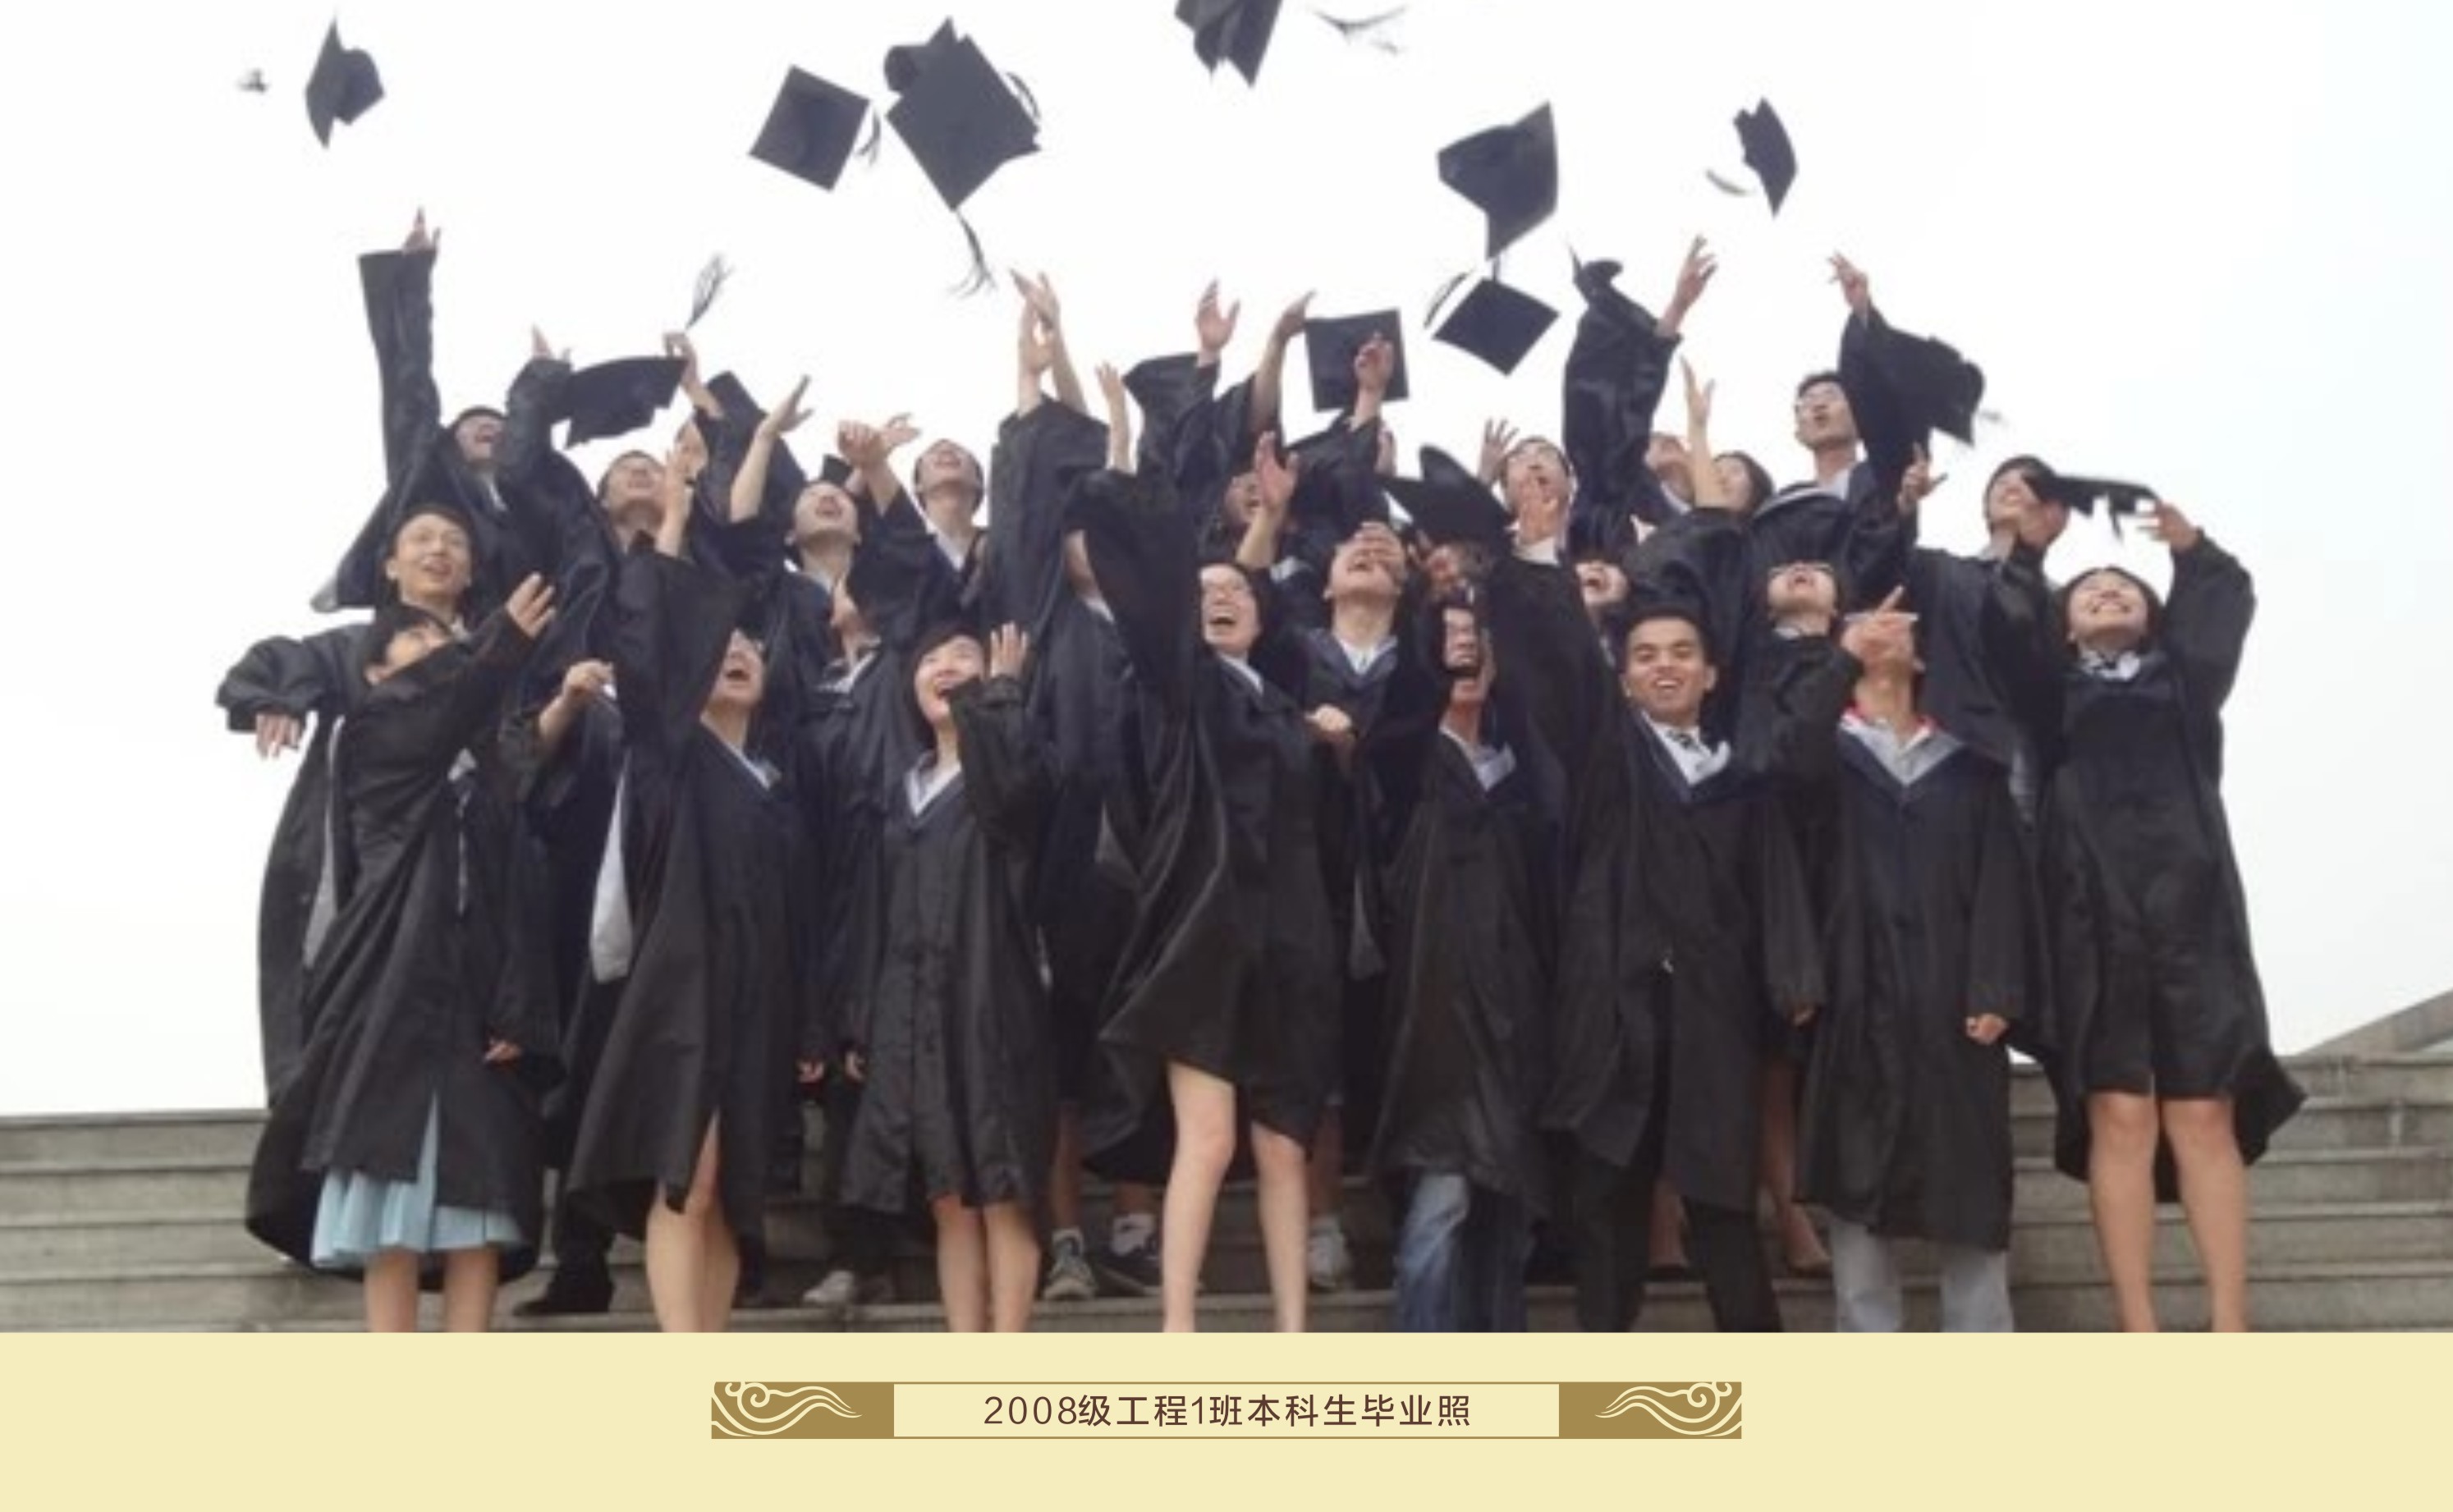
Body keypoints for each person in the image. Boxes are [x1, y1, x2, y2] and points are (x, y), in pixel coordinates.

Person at [243, 568, 563, 1331]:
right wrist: (497, 645)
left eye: (441, 635)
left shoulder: (487, 771)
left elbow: (517, 894)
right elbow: (436, 708)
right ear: (378, 674)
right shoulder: (372, 736)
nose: (436, 645)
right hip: (388, 995)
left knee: (479, 1201)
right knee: (389, 1200)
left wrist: (519, 1007)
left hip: (477, 1002)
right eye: (416, 638)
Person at [2017, 504, 2303, 1331]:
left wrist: (2191, 549)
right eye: (2089, 589)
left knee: (2204, 1109)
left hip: (2191, 912)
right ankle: (2137, 1323)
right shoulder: (2046, 697)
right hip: (2091, 913)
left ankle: (2229, 1318)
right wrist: (2028, 554)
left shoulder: (2184, 685)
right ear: (2063, 626)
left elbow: (2222, 603)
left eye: (2125, 587)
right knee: (2120, 1112)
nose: (2108, 591)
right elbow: (1999, 632)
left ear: (2154, 617)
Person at [1075, 435, 1338, 1332]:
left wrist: (1326, 739)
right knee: (1211, 1135)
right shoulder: (1176, 688)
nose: (1221, 599)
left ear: (1263, 620)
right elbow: (1167, 603)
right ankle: (1179, 1329)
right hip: (1203, 937)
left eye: (1238, 595)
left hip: (1290, 943)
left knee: (1285, 1143)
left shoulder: (1282, 708)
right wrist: (1134, 468)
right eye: (1205, 593)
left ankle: (1294, 1335)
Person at [563, 431, 818, 1333]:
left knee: (732, 1197)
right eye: (721, 646)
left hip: (756, 1003)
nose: (737, 651)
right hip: (681, 995)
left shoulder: (776, 787)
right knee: (688, 1176)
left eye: (751, 645)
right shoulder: (669, 753)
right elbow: (649, 631)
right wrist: (674, 514)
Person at [1761, 591, 2038, 1330]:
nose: (1883, 634)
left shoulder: (1970, 768)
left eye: (1899, 627)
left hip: (1955, 1004)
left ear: (1924, 658)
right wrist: (1839, 659)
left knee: (1971, 1191)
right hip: (1854, 995)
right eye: (1865, 627)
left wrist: (1998, 985)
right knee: (1859, 1186)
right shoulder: (1825, 756)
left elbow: (2002, 881)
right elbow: (1786, 769)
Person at [832, 620, 1057, 1332]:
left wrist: (1004, 699)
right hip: (915, 1014)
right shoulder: (902, 790)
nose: (945, 666)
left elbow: (1015, 794)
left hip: (993, 1008)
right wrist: (865, 1020)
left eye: (963, 656)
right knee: (949, 1198)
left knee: (1001, 1189)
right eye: (929, 659)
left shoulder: (1011, 771)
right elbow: (876, 915)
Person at [220, 499, 479, 1099]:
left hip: (468, 853)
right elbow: (277, 660)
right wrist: (278, 698)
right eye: (421, 539)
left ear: (472, 570)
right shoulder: (352, 648)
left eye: (454, 541)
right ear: (390, 565)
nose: (438, 550)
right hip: (362, 856)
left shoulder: (496, 651)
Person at [1371, 594, 1556, 1331]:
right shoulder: (1406, 762)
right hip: (1438, 1012)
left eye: (1477, 639)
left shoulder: (1519, 768)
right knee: (1444, 1198)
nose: (1465, 652)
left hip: (1516, 1009)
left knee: (1506, 1209)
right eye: (1446, 640)